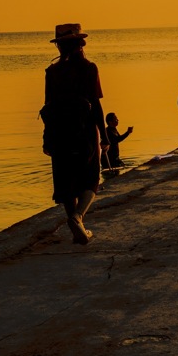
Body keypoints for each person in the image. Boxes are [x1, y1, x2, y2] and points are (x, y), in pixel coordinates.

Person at [40, 23, 106, 246]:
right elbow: (95, 105)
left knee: (66, 179)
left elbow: (48, 106)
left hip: (58, 131)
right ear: (81, 44)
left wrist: (46, 137)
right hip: (84, 130)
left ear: (59, 46)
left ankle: (74, 221)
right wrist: (104, 135)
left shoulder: (52, 72)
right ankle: (78, 217)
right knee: (91, 178)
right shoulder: (89, 68)